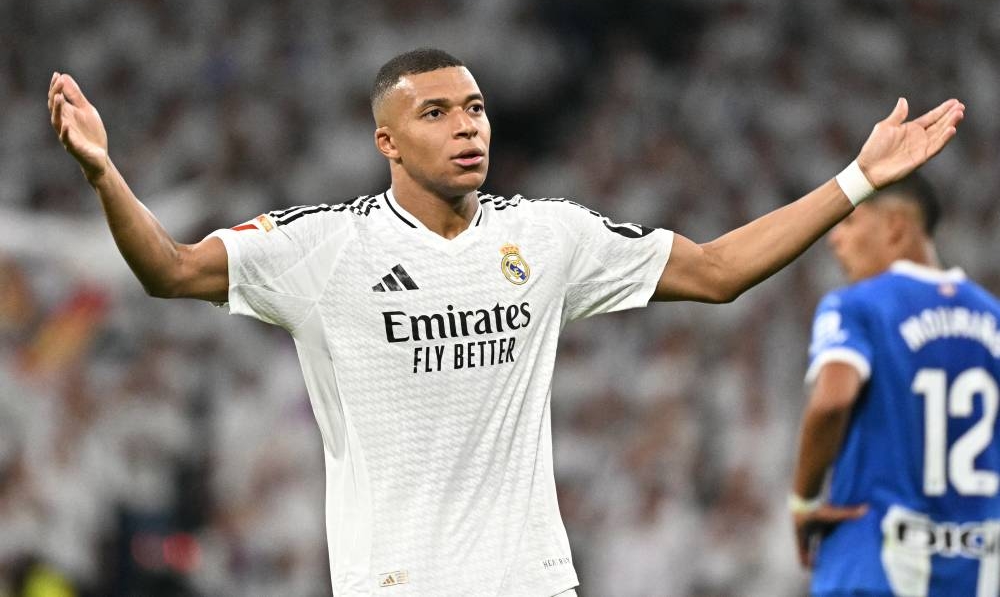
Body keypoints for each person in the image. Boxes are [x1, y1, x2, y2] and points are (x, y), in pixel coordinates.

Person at [48, 47, 963, 597]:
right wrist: (102, 174)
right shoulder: (321, 249)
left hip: (532, 581)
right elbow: (168, 271)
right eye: (436, 112)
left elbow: (719, 272)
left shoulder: (550, 235)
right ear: (387, 142)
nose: (466, 127)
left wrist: (855, 180)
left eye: (476, 109)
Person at [790, 173, 1000, 596]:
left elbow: (832, 401)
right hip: (976, 568)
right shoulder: (993, 316)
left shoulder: (856, 305)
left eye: (849, 222)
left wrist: (804, 501)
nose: (834, 239)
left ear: (895, 226)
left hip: (874, 560)